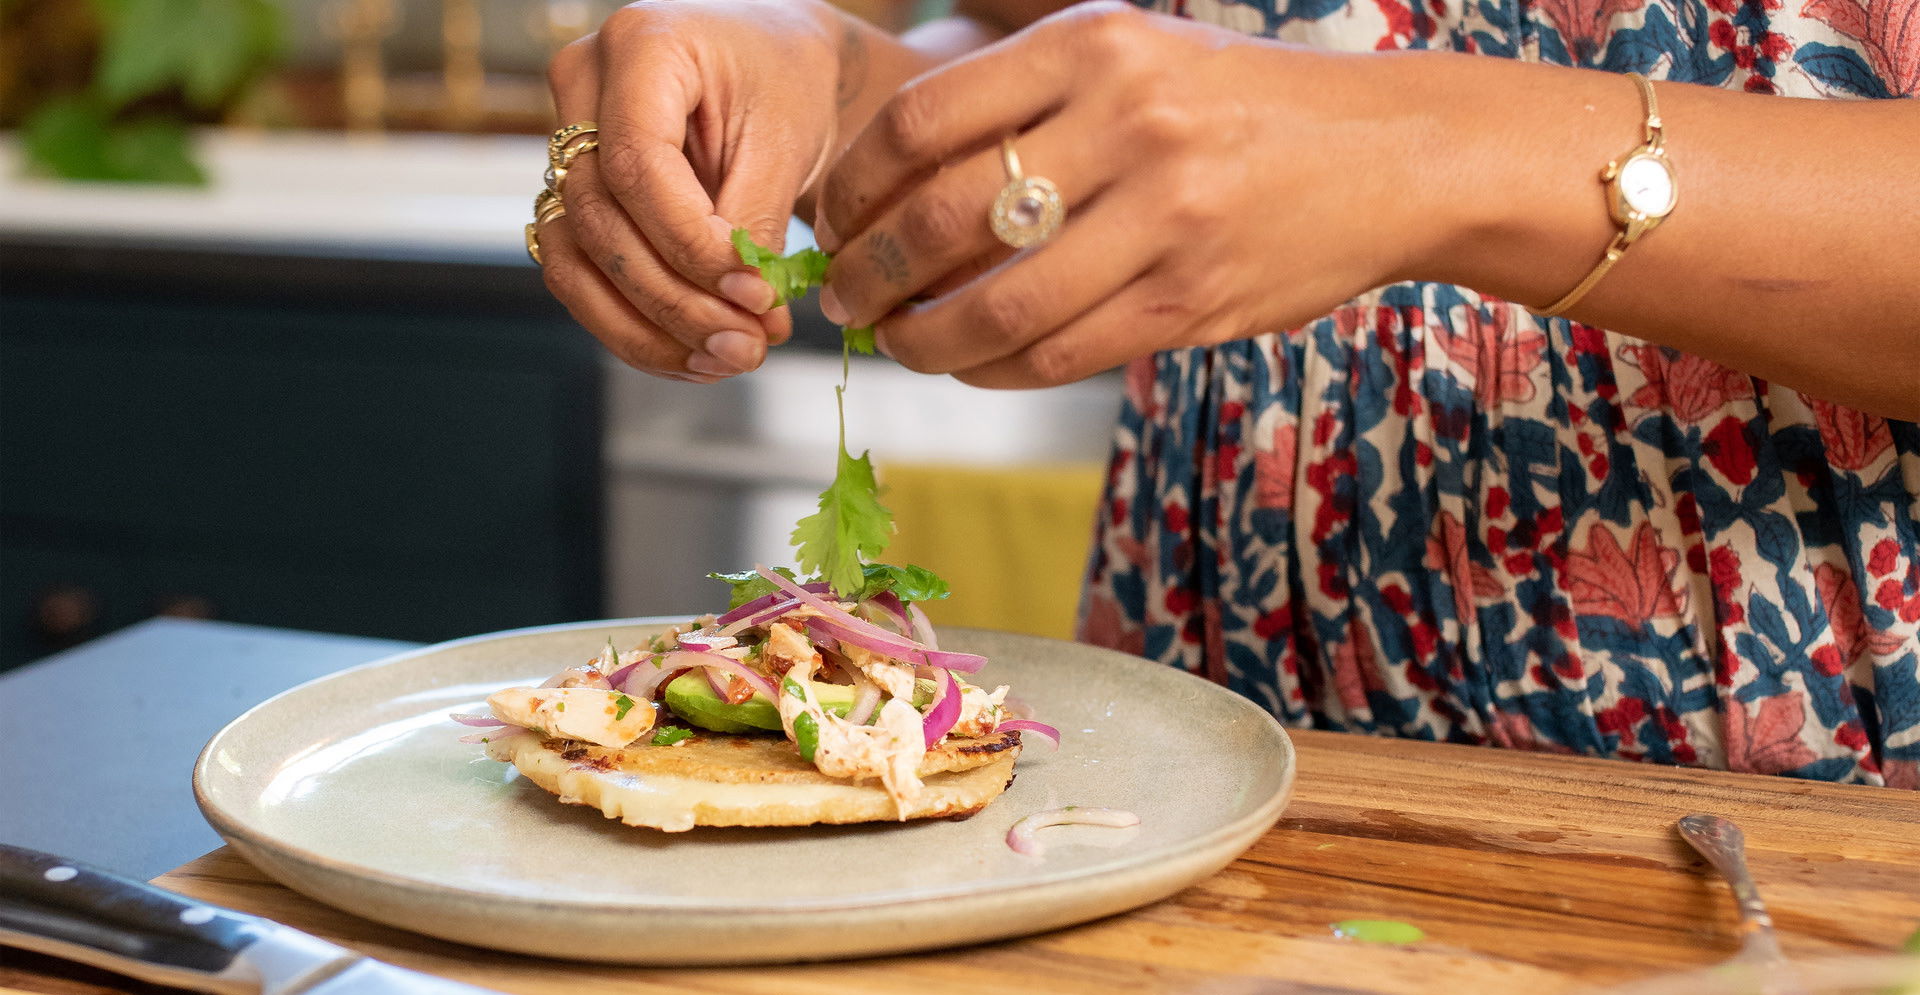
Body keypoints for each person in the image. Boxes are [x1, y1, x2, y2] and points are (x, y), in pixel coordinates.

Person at [530, 0, 1920, 785]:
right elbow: (1085, 48)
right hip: (1208, 775)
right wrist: (834, 74)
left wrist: (1441, 148)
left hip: (1821, 847)